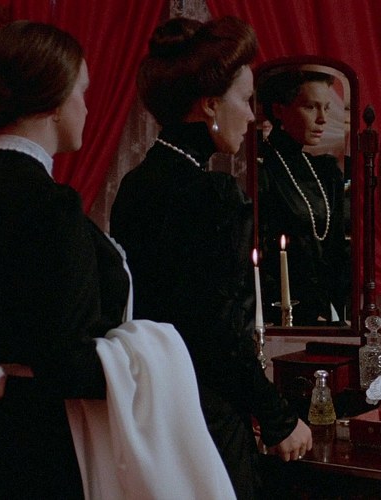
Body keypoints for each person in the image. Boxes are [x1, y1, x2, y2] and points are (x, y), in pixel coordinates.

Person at [0, 21, 129, 498]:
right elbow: (66, 360)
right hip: (33, 446)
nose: (86, 107)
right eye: (81, 91)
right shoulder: (49, 205)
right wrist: (146, 364)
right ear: (54, 102)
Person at [110, 16, 311, 500]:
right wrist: (279, 418)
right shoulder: (214, 194)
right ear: (210, 105)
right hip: (207, 419)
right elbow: (220, 334)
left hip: (152, 411)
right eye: (245, 99)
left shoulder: (135, 187)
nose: (254, 117)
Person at [256, 69, 350, 326]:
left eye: (326, 108)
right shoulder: (262, 170)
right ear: (279, 110)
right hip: (281, 315)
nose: (322, 119)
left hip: (329, 314)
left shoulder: (326, 172)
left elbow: (338, 251)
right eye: (310, 107)